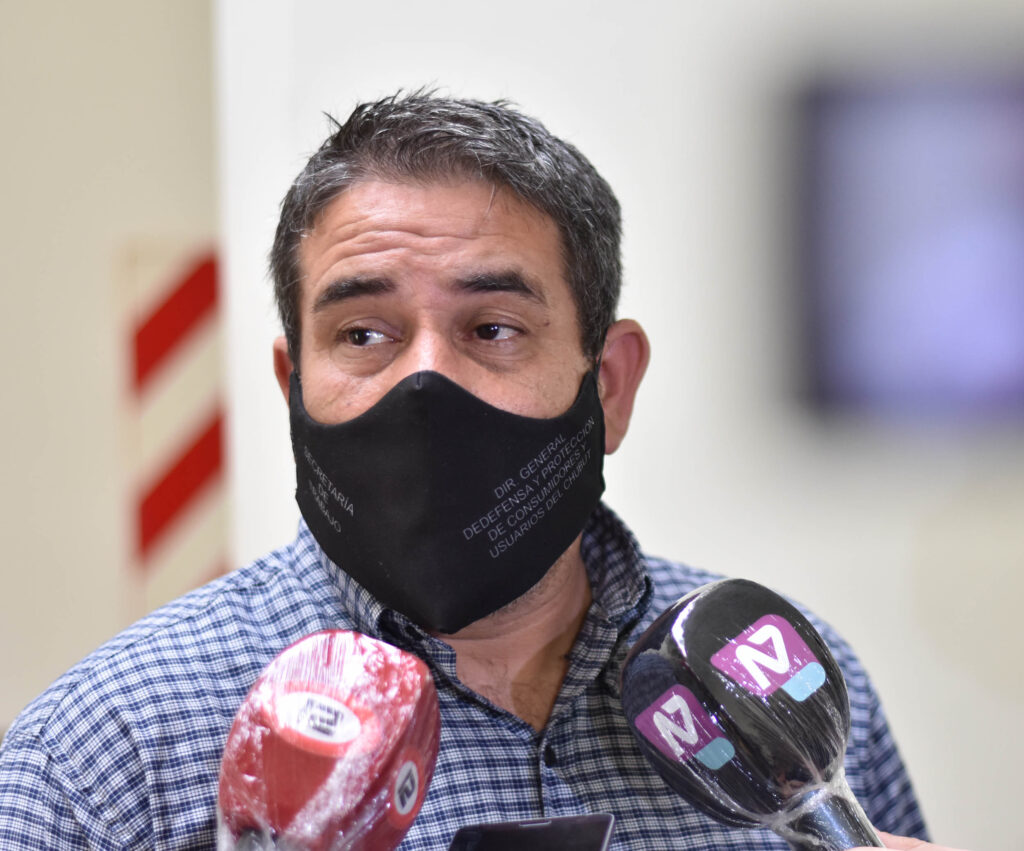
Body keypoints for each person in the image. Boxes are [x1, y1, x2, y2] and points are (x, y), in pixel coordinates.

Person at [0, 92, 944, 849]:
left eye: (493, 329)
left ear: (609, 385)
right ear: (293, 386)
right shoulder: (107, 760)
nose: (426, 384)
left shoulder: (780, 689)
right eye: (362, 334)